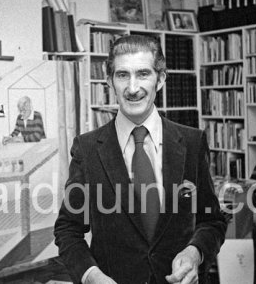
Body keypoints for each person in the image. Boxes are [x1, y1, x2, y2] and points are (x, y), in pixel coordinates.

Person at [54, 35, 226, 284]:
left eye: (143, 74)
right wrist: (91, 276)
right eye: (122, 75)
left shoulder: (191, 143)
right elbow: (68, 229)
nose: (133, 88)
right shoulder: (88, 149)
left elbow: (212, 221)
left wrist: (194, 253)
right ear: (110, 82)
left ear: (161, 79)